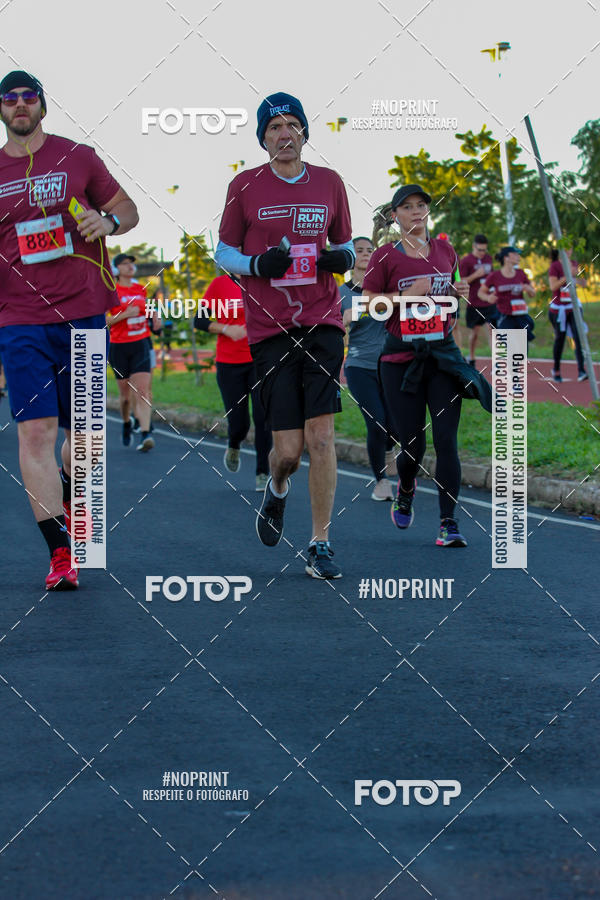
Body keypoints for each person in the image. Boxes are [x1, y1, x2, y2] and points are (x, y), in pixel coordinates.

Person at [0, 70, 138, 590]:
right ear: (1, 108)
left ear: (42, 105)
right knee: (35, 432)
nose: (19, 104)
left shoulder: (77, 156)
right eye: (9, 98)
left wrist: (109, 223)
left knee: (85, 440)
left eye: (28, 96)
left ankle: (68, 484)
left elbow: (127, 208)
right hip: (19, 317)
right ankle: (62, 553)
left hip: (83, 312)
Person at [216, 92, 354, 579]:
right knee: (289, 452)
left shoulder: (330, 182)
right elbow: (223, 252)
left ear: (304, 133)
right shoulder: (244, 185)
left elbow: (347, 245)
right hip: (270, 329)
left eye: (292, 124)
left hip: (322, 321)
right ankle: (276, 490)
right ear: (263, 138)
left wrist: (341, 259)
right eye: (274, 127)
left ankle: (320, 542)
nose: (285, 133)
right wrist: (258, 264)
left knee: (322, 436)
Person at [362, 184, 491, 547]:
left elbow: (449, 296)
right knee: (413, 446)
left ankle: (449, 523)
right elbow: (369, 305)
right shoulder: (385, 256)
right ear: (395, 216)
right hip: (400, 361)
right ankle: (406, 486)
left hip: (441, 357)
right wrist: (406, 295)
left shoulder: (446, 251)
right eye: (407, 207)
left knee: (446, 440)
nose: (416, 211)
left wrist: (455, 293)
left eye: (421, 205)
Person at [194, 272, 272, 491]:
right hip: (229, 364)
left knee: (263, 417)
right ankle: (234, 443)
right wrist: (226, 329)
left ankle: (263, 472)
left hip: (259, 361)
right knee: (239, 423)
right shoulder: (220, 284)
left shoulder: (263, 281)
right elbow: (200, 320)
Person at [341, 236, 395, 501]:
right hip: (359, 366)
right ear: (351, 258)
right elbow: (332, 333)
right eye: (359, 250)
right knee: (376, 424)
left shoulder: (387, 290)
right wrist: (344, 321)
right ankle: (381, 482)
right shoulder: (340, 294)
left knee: (396, 425)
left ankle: (389, 447)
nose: (365, 254)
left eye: (370, 250)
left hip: (391, 365)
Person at [107, 253, 154, 451]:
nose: (129, 266)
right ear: (116, 269)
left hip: (140, 343)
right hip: (119, 346)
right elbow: (105, 321)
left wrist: (155, 317)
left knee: (143, 391)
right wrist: (125, 314)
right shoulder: (111, 291)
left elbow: (148, 309)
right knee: (126, 397)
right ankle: (127, 422)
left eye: (131, 263)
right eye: (124, 264)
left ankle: (146, 434)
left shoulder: (140, 289)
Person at [478, 247, 536, 346]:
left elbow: (532, 294)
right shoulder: (495, 276)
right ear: (506, 258)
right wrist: (488, 298)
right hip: (504, 316)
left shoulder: (521, 274)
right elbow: (480, 292)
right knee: (507, 348)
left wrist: (528, 289)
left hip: (520, 316)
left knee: (521, 349)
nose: (518, 257)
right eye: (515, 254)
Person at [548, 249, 588, 382]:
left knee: (578, 337)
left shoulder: (574, 263)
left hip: (573, 307)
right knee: (560, 339)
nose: (568, 251)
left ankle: (581, 370)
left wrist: (580, 279)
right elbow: (553, 286)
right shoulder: (555, 266)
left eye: (570, 248)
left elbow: (581, 282)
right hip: (559, 309)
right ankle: (556, 369)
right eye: (565, 248)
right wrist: (568, 276)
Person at [460, 234, 496, 368]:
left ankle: (497, 362)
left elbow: (492, 277)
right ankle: (472, 357)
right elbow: (461, 281)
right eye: (480, 250)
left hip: (489, 301)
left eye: (484, 250)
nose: (482, 253)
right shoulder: (466, 261)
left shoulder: (488, 259)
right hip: (474, 303)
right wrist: (475, 275)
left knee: (492, 330)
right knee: (474, 333)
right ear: (473, 247)